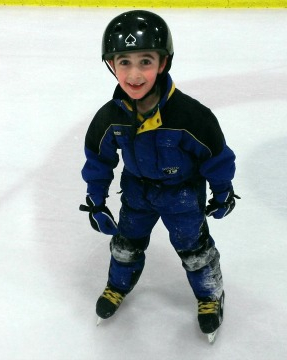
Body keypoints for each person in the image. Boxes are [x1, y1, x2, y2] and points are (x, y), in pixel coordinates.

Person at [80, 10, 238, 342]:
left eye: (145, 62)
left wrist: (222, 191)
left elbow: (216, 155)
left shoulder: (190, 116)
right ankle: (117, 286)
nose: (134, 74)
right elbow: (99, 158)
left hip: (181, 196)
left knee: (194, 250)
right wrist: (96, 199)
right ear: (111, 65)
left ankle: (210, 296)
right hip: (136, 193)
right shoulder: (111, 117)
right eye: (124, 62)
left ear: (163, 63)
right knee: (125, 246)